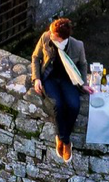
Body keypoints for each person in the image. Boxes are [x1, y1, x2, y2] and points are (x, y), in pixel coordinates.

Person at [31, 17, 94, 162]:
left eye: (54, 35)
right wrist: (37, 78)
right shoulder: (46, 37)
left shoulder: (77, 46)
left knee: (73, 105)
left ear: (62, 39)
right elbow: (35, 57)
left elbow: (83, 65)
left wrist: (83, 83)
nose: (50, 34)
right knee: (57, 104)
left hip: (68, 79)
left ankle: (61, 136)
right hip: (49, 78)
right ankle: (65, 142)